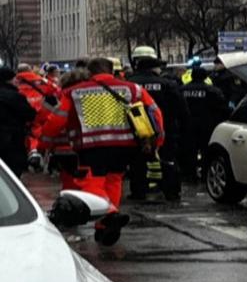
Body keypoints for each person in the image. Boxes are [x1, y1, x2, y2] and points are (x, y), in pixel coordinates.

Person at [42, 58, 164, 246]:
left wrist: (45, 143)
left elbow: (56, 121)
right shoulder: (133, 89)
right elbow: (155, 113)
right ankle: (103, 226)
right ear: (112, 70)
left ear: (90, 73)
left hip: (91, 146)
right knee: (114, 180)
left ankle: (109, 213)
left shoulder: (74, 92)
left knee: (90, 183)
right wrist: (157, 140)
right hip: (124, 145)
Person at [128, 46, 189, 201]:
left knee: (137, 162)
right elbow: (181, 108)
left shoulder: (129, 85)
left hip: (136, 130)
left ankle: (138, 191)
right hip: (165, 128)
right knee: (167, 160)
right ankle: (171, 191)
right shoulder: (167, 84)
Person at [181, 67, 230, 180]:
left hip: (187, 126)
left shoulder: (182, 90)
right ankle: (205, 175)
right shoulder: (213, 91)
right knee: (206, 151)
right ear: (205, 77)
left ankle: (190, 175)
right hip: (207, 126)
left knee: (189, 151)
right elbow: (223, 109)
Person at [15, 63, 60, 171]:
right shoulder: (39, 80)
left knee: (25, 133)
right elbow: (54, 89)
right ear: (29, 70)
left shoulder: (15, 81)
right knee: (38, 131)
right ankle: (38, 152)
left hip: (22, 111)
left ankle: (31, 153)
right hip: (40, 109)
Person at [0, 67, 36, 177]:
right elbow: (30, 115)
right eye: (14, 78)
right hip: (12, 141)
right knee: (12, 174)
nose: (16, 81)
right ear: (9, 80)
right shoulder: (16, 96)